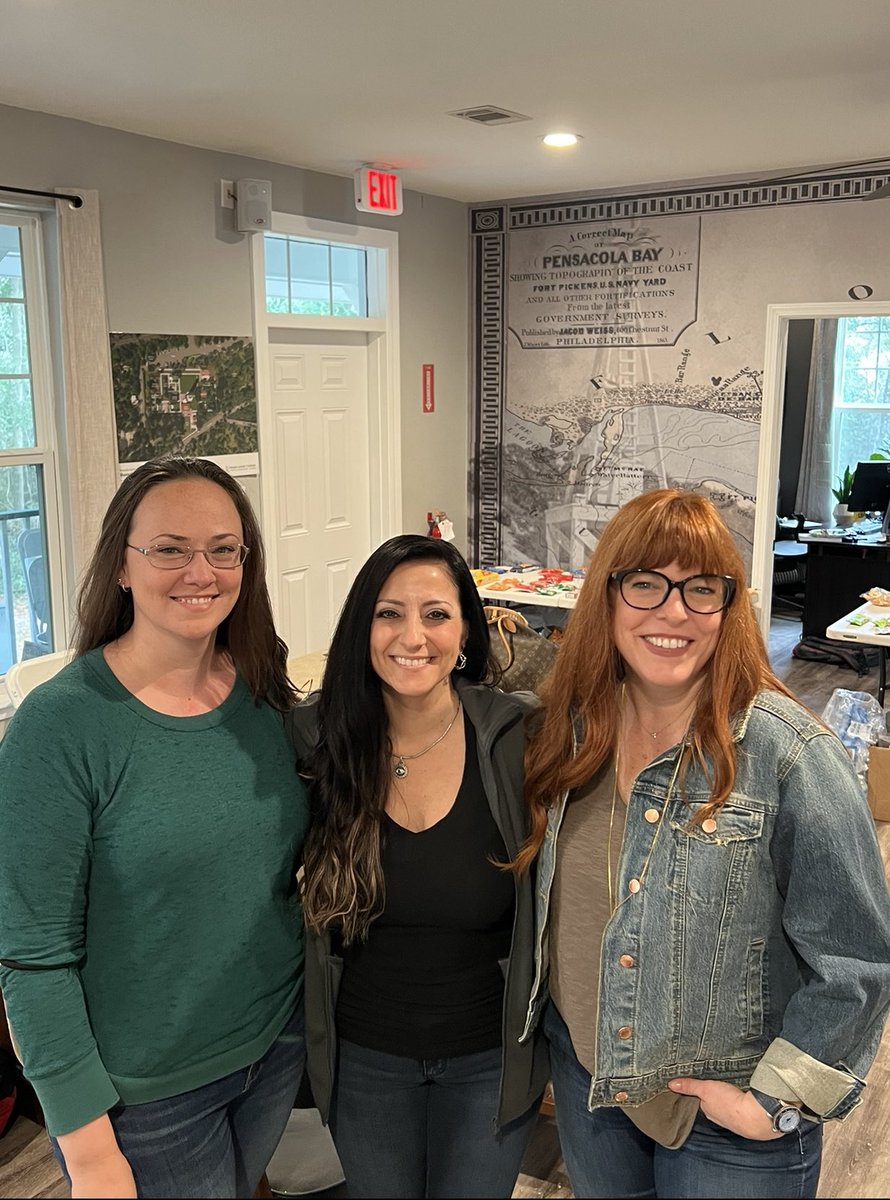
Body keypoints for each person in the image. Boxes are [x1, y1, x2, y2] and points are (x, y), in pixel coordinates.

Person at [512, 487, 890, 1199]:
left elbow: (857, 957)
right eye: (646, 584)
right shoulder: (571, 730)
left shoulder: (786, 754)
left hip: (724, 1117)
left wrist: (779, 1100)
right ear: (609, 597)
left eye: (700, 588)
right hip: (589, 1082)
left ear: (729, 603)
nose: (673, 611)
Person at [0, 457, 309, 1200]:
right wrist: (85, 1143)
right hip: (145, 1098)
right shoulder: (62, 726)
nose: (200, 571)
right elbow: (30, 957)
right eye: (169, 548)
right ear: (121, 567)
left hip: (275, 1046)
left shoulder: (265, 693)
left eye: (223, 548)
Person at [288, 534, 549, 1199]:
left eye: (436, 613)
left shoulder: (515, 740)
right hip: (363, 1060)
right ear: (361, 629)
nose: (413, 635)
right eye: (388, 613)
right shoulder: (315, 740)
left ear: (466, 627)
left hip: (488, 1061)